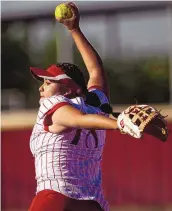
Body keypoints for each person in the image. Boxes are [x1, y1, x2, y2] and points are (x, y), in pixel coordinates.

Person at [28, 2, 119, 211]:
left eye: (49, 82)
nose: (41, 88)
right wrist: (74, 29)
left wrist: (119, 123)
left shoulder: (55, 104)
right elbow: (95, 69)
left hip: (55, 198)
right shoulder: (97, 105)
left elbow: (77, 119)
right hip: (92, 203)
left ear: (68, 90)